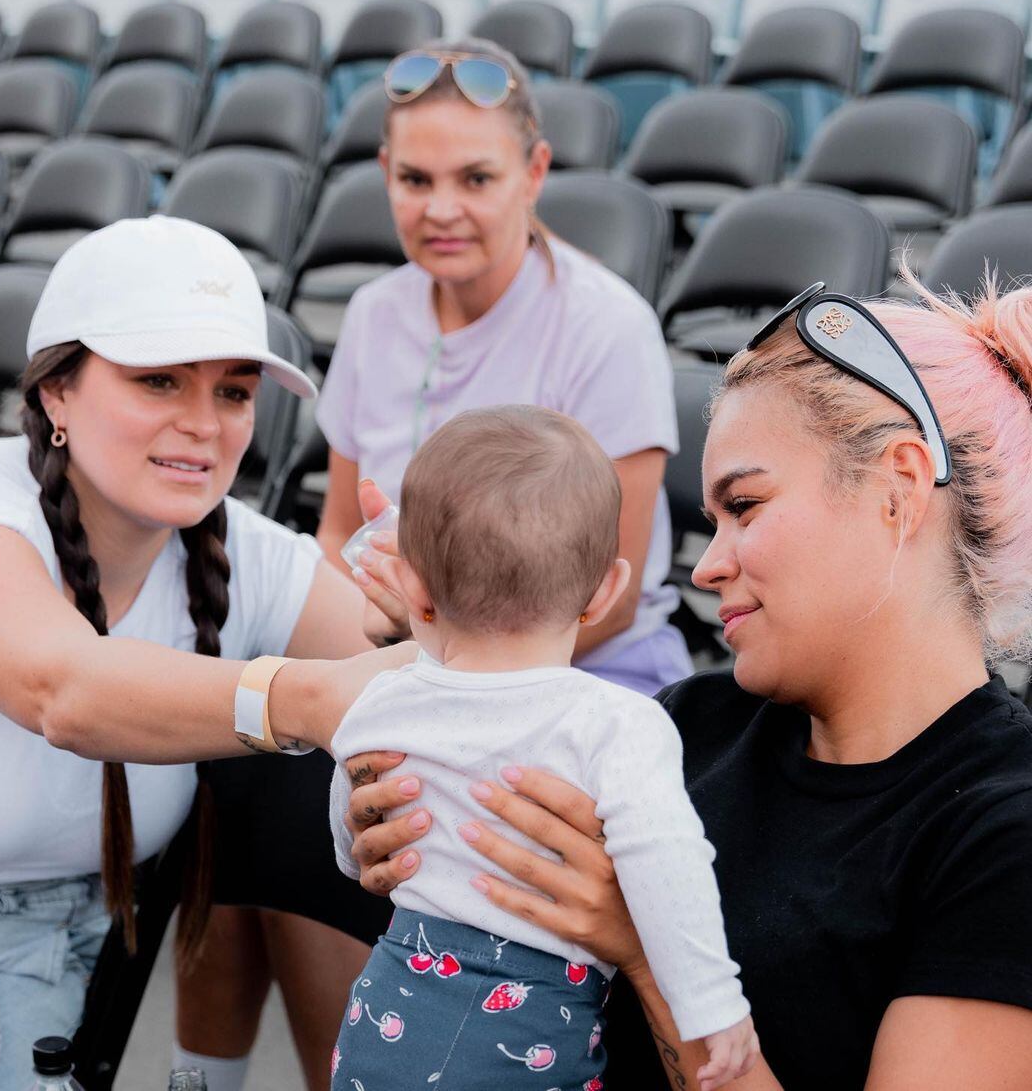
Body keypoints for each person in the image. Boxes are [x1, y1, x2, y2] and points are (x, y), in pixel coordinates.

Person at [341, 277, 1032, 1090]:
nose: (707, 566)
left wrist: (643, 945)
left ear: (900, 487)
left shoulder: (1005, 833)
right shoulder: (685, 724)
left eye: (744, 504)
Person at [182, 37, 689, 1087]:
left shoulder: (608, 327)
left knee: (337, 795)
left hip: (566, 681)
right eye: (415, 179)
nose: (440, 207)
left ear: (536, 175)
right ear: (384, 178)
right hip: (399, 650)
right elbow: (335, 530)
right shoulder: (375, 313)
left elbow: (620, 586)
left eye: (475, 178)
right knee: (233, 784)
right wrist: (378, 644)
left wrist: (434, 657)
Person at [0, 215, 411, 1091]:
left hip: (97, 947)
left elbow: (408, 679)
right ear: (57, 393)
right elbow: (64, 690)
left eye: (234, 392)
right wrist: (306, 699)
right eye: (158, 380)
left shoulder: (250, 550)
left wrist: (427, 620)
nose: (205, 426)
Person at [328, 405, 757, 1091]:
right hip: (526, 1033)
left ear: (412, 585)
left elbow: (356, 849)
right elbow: (666, 865)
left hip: (386, 1013)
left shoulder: (381, 700)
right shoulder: (616, 722)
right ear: (606, 590)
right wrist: (711, 1005)